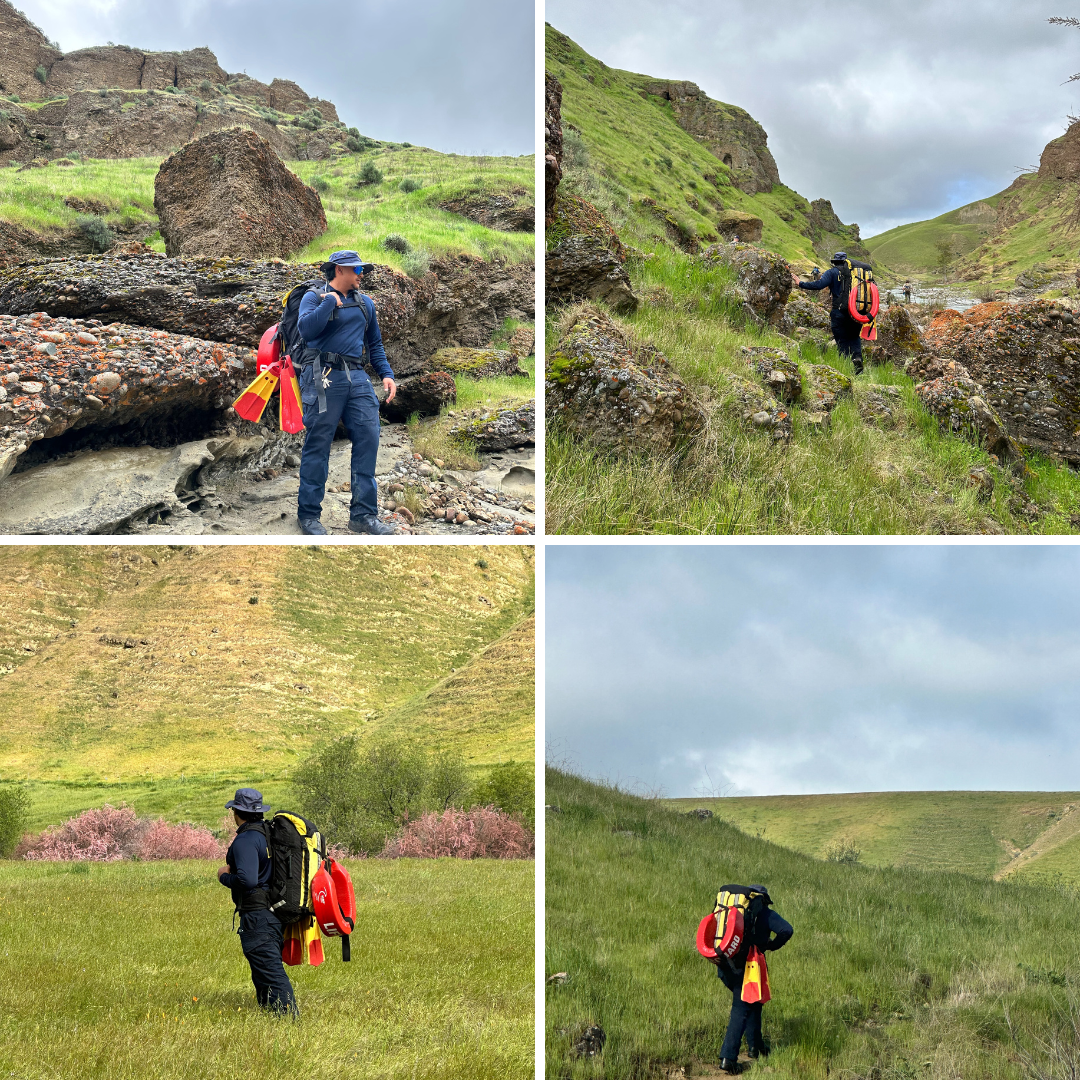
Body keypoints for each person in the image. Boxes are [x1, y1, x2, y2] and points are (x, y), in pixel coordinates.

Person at [294, 249, 397, 536]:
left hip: (359, 379)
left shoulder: (366, 304)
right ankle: (309, 516)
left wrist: (387, 375)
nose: (361, 274)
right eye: (356, 269)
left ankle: (363, 516)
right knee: (318, 444)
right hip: (322, 378)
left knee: (368, 439)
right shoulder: (314, 297)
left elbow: (374, 345)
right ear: (339, 270)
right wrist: (328, 303)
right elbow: (306, 331)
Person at [217, 788, 298, 1016]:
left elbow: (248, 880)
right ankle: (271, 1017)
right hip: (272, 912)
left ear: (237, 811)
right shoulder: (266, 834)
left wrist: (223, 876)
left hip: (257, 916)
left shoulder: (245, 840)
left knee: (270, 971)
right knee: (263, 970)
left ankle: (288, 1020)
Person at [716, 886, 792, 1074]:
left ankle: (755, 1047)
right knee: (741, 1007)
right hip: (747, 965)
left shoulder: (730, 909)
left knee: (753, 1002)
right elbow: (786, 930)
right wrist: (771, 945)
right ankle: (728, 1058)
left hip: (725, 962)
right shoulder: (765, 913)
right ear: (763, 900)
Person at [791, 251, 873, 374]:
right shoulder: (858, 273)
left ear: (834, 262)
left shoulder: (832, 272)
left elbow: (819, 285)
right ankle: (857, 360)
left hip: (839, 312)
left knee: (842, 340)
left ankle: (846, 366)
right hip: (857, 311)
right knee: (854, 336)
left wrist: (800, 283)